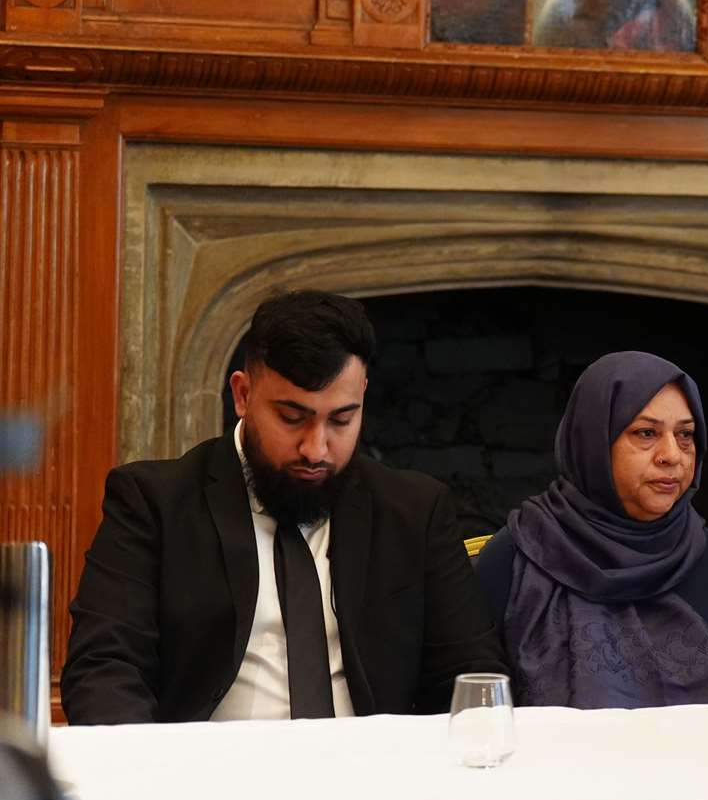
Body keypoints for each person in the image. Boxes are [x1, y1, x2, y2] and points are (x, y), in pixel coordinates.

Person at [60, 291, 508, 724]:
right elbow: (105, 668)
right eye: (292, 418)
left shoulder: (414, 511)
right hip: (205, 783)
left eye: (341, 420)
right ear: (242, 395)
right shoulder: (154, 502)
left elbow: (471, 678)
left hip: (373, 784)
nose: (316, 449)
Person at [475, 351, 708, 708]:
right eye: (646, 433)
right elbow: (471, 705)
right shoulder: (518, 555)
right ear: (592, 442)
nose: (672, 454)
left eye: (685, 435)